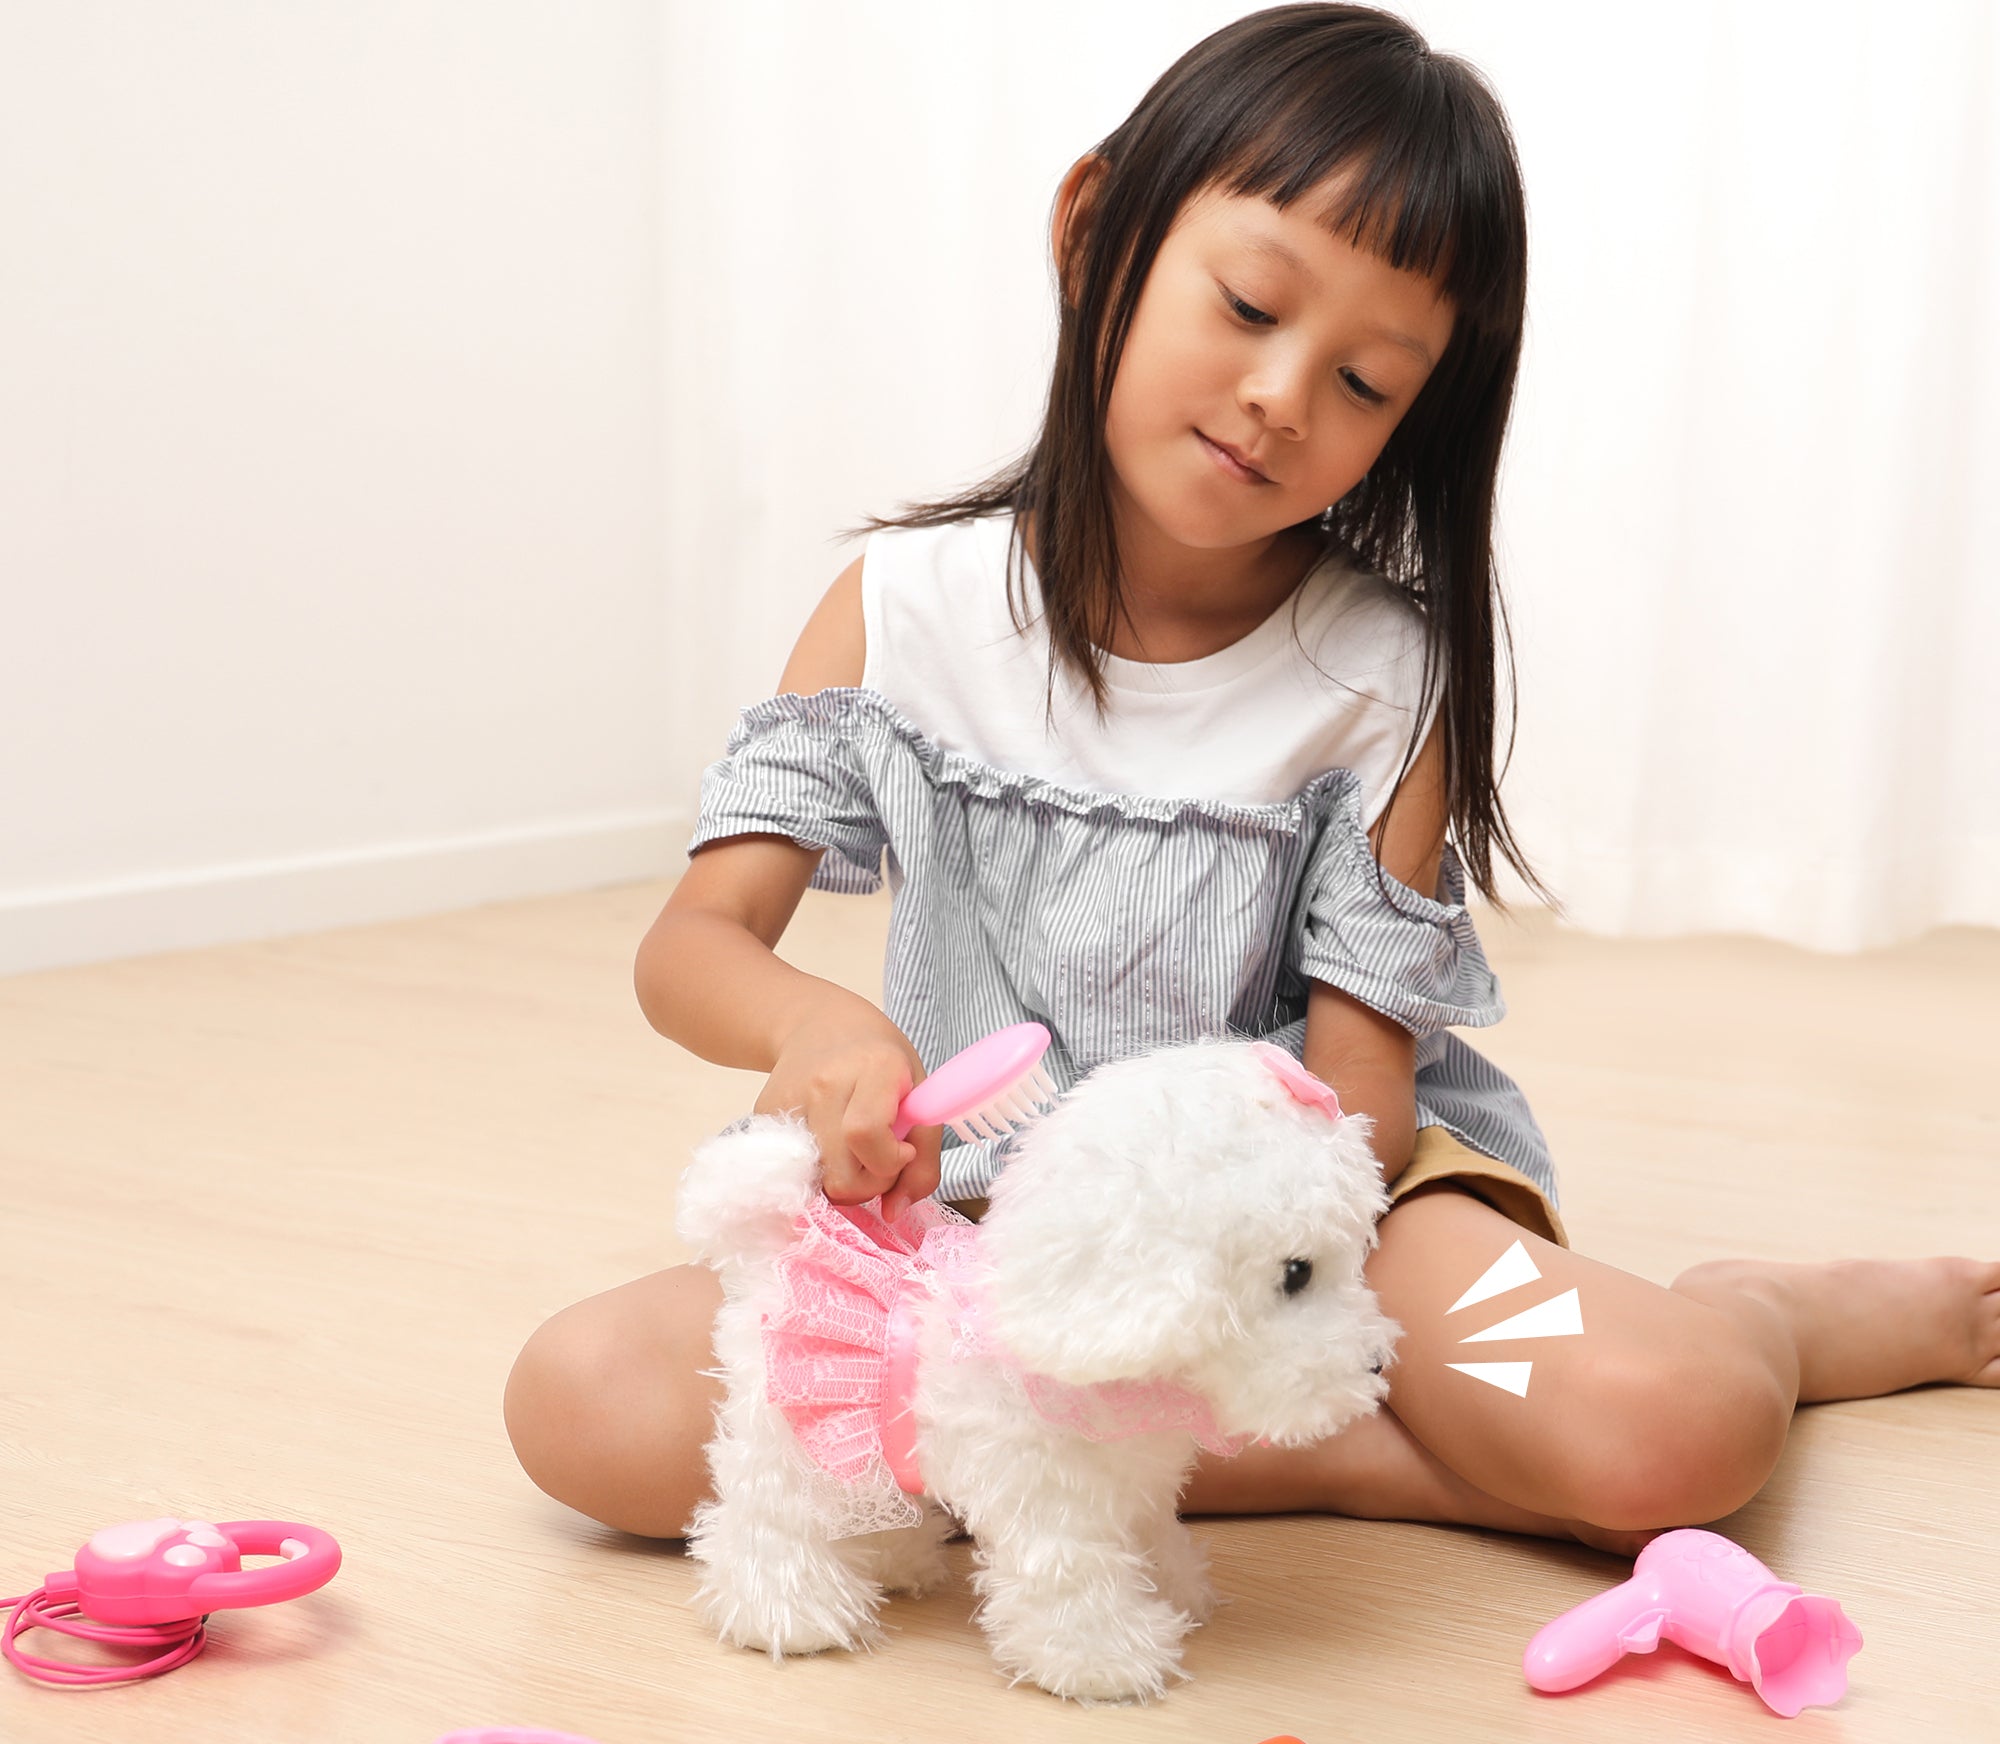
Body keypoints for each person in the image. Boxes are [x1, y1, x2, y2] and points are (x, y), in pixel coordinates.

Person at [505, 4, 1998, 1557]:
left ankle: (1758, 1316)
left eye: (1365, 385)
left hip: (1328, 1228)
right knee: (594, 1404)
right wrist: (818, 1027)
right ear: (1096, 233)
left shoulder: (1382, 675)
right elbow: (691, 946)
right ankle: (1371, 1471)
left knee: (1664, 1425)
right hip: (989, 1234)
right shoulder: (903, 609)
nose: (1286, 395)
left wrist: (1218, 1276)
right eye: (1247, 304)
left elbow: (1356, 1097)